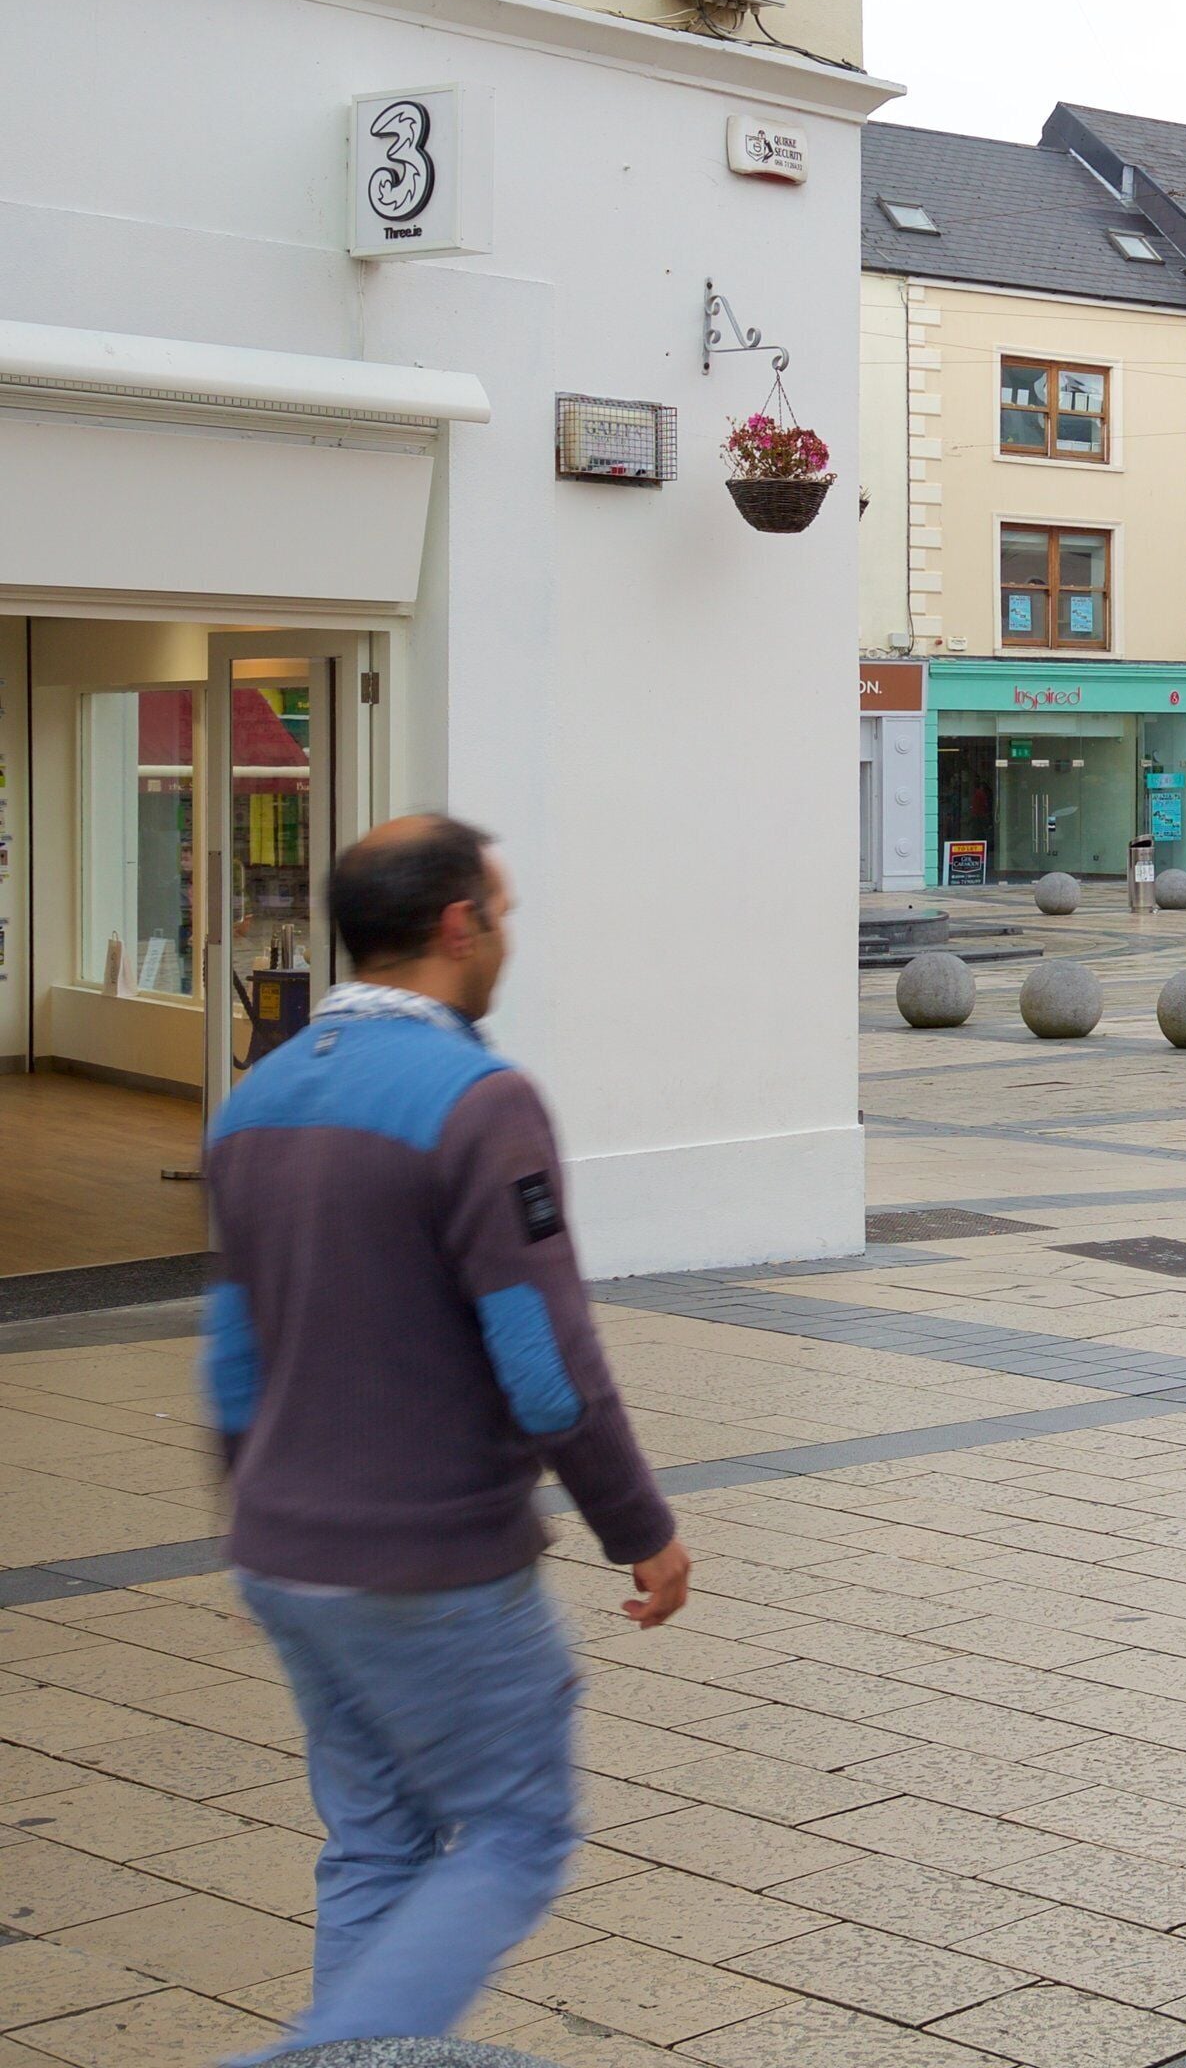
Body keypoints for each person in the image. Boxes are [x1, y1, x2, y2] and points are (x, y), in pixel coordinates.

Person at [201, 816, 687, 2051]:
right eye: (504, 912)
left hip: (284, 1552)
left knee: (377, 1838)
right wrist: (641, 1529)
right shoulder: (480, 1103)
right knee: (516, 1830)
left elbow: (230, 1359)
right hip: (430, 1564)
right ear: (458, 926)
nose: (507, 935)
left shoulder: (254, 1099)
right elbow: (546, 1369)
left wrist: (265, 1512)